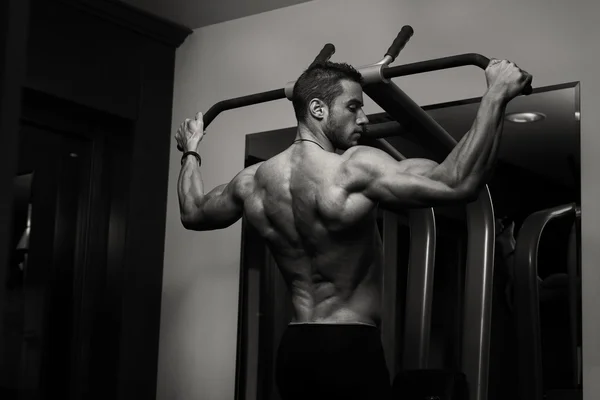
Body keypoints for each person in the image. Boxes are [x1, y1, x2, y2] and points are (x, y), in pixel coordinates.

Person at [175, 59, 532, 400]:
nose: (363, 116)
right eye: (352, 106)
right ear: (317, 109)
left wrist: (191, 150)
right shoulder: (353, 169)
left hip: (295, 350)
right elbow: (459, 181)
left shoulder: (252, 182)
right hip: (350, 349)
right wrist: (496, 94)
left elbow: (193, 211)